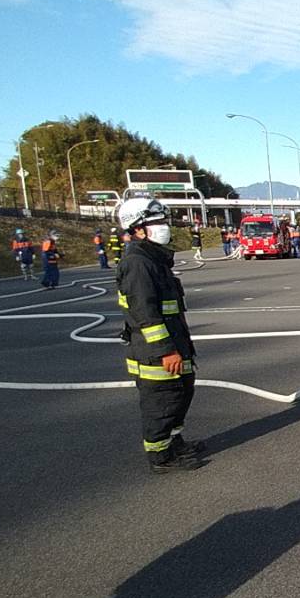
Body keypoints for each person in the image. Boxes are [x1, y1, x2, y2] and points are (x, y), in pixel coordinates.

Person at [115, 197, 201, 473]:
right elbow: (146, 314)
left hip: (175, 343)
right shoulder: (137, 263)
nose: (164, 226)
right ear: (137, 229)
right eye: (157, 222)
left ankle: (175, 442)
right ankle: (161, 456)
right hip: (157, 352)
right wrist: (166, 351)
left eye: (164, 221)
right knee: (162, 402)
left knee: (182, 393)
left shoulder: (154, 259)